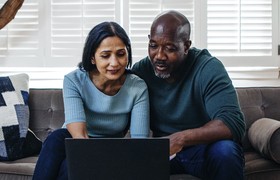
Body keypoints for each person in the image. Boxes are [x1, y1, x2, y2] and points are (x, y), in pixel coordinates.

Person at [132, 10, 245, 180]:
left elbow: (232, 123)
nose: (159, 56)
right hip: (162, 154)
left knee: (226, 151)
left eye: (170, 48)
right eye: (153, 45)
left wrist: (181, 138)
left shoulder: (207, 68)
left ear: (186, 46)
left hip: (202, 150)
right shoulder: (142, 71)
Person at [33, 21, 150, 180]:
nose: (114, 63)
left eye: (121, 54)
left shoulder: (137, 87)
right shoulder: (74, 80)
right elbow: (79, 138)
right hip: (78, 142)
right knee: (56, 139)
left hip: (111, 147)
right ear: (92, 58)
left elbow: (139, 145)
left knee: (68, 167)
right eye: (105, 55)